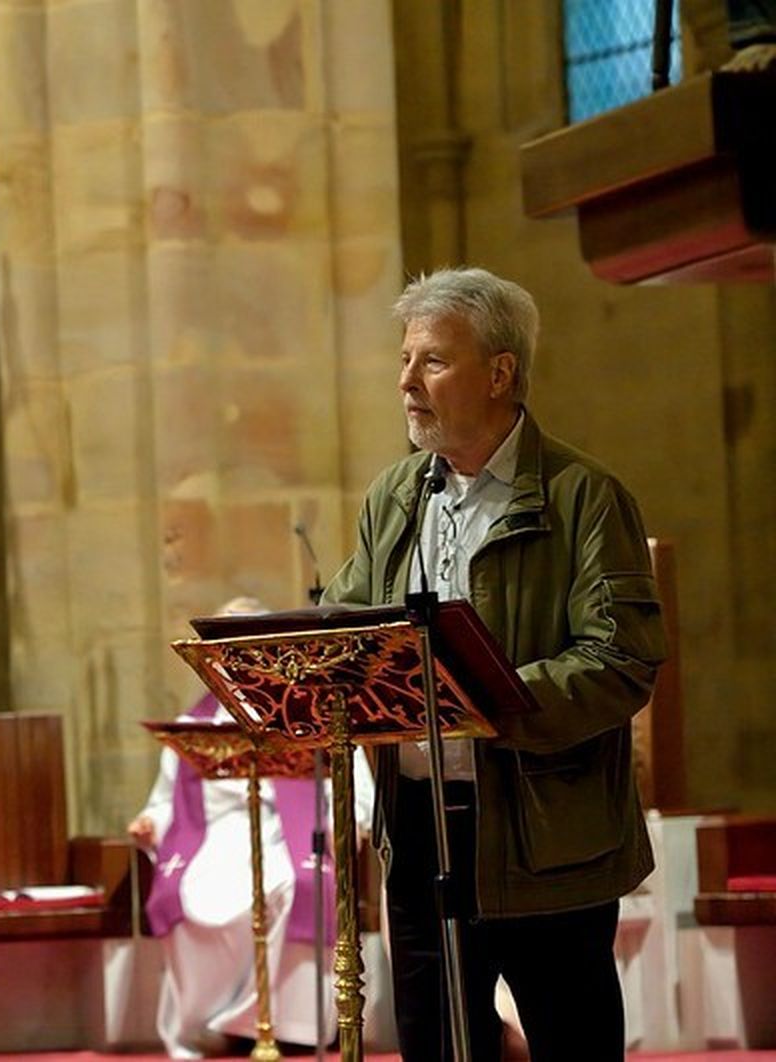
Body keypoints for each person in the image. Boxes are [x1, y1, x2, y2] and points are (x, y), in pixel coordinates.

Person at [320, 267, 666, 1061]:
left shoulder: (585, 496)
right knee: (438, 1047)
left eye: (432, 361)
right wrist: (305, 663)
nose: (406, 381)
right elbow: (348, 625)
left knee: (571, 1041)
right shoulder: (395, 495)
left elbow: (622, 660)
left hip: (543, 830)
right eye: (405, 361)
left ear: (501, 372)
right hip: (414, 825)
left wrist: (481, 701)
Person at [129, 596, 374, 1058]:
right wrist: (151, 822)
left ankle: (287, 1025)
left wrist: (352, 821)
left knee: (291, 883)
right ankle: (212, 1026)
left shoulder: (313, 712)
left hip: (288, 834)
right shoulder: (194, 724)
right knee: (187, 895)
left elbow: (355, 787)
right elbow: (166, 802)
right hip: (216, 838)